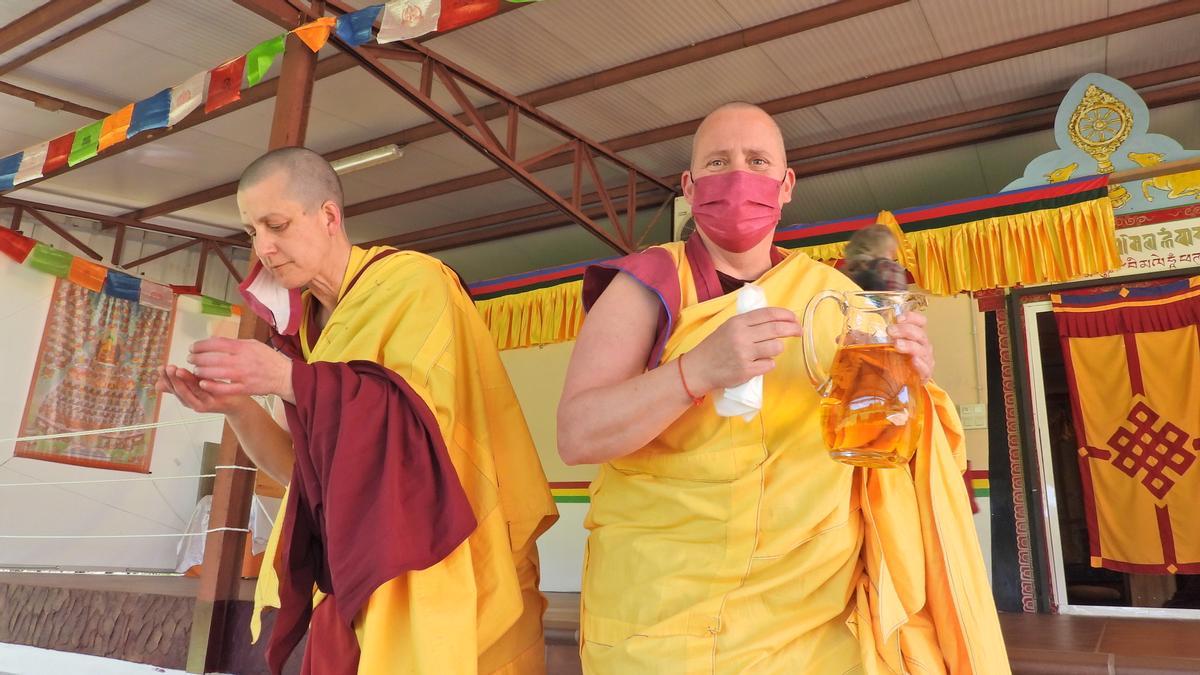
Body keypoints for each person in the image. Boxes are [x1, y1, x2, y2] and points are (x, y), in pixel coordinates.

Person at [557, 102, 1008, 673]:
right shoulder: (648, 284)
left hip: (815, 615)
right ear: (690, 188)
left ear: (785, 184)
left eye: (757, 160)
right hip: (666, 615)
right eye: (718, 163)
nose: (738, 176)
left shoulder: (832, 295)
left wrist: (910, 381)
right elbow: (576, 435)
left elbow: (878, 442)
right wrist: (694, 372)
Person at [156, 147, 557, 674]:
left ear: (328, 217)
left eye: (276, 224)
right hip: (356, 573)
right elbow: (309, 478)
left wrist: (285, 377)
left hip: (443, 554)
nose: (265, 248)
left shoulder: (414, 283)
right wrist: (236, 408)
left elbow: (418, 440)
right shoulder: (311, 332)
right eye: (252, 231)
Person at [843, 222, 909, 292]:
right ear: (883, 249)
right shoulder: (889, 267)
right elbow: (896, 297)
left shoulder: (845, 272)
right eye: (891, 251)